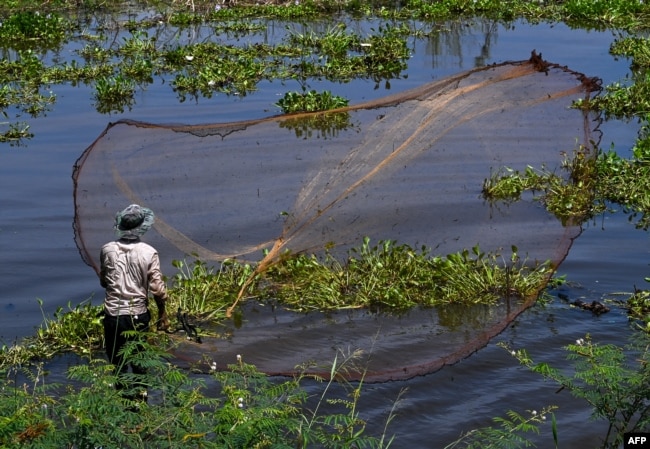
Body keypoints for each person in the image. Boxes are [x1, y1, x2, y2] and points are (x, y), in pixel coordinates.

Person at [100, 204, 170, 403]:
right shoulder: (149, 252)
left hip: (113, 316)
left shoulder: (107, 249)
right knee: (140, 363)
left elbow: (104, 281)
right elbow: (157, 289)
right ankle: (141, 405)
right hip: (138, 316)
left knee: (117, 363)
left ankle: (123, 404)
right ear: (142, 227)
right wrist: (163, 314)